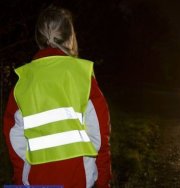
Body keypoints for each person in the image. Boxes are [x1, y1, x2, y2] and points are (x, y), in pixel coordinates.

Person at [3, 6, 111, 188]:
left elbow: (15, 141)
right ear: (70, 38)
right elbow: (99, 138)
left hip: (38, 182)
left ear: (39, 39)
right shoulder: (83, 76)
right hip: (79, 181)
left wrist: (22, 180)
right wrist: (103, 182)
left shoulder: (22, 82)